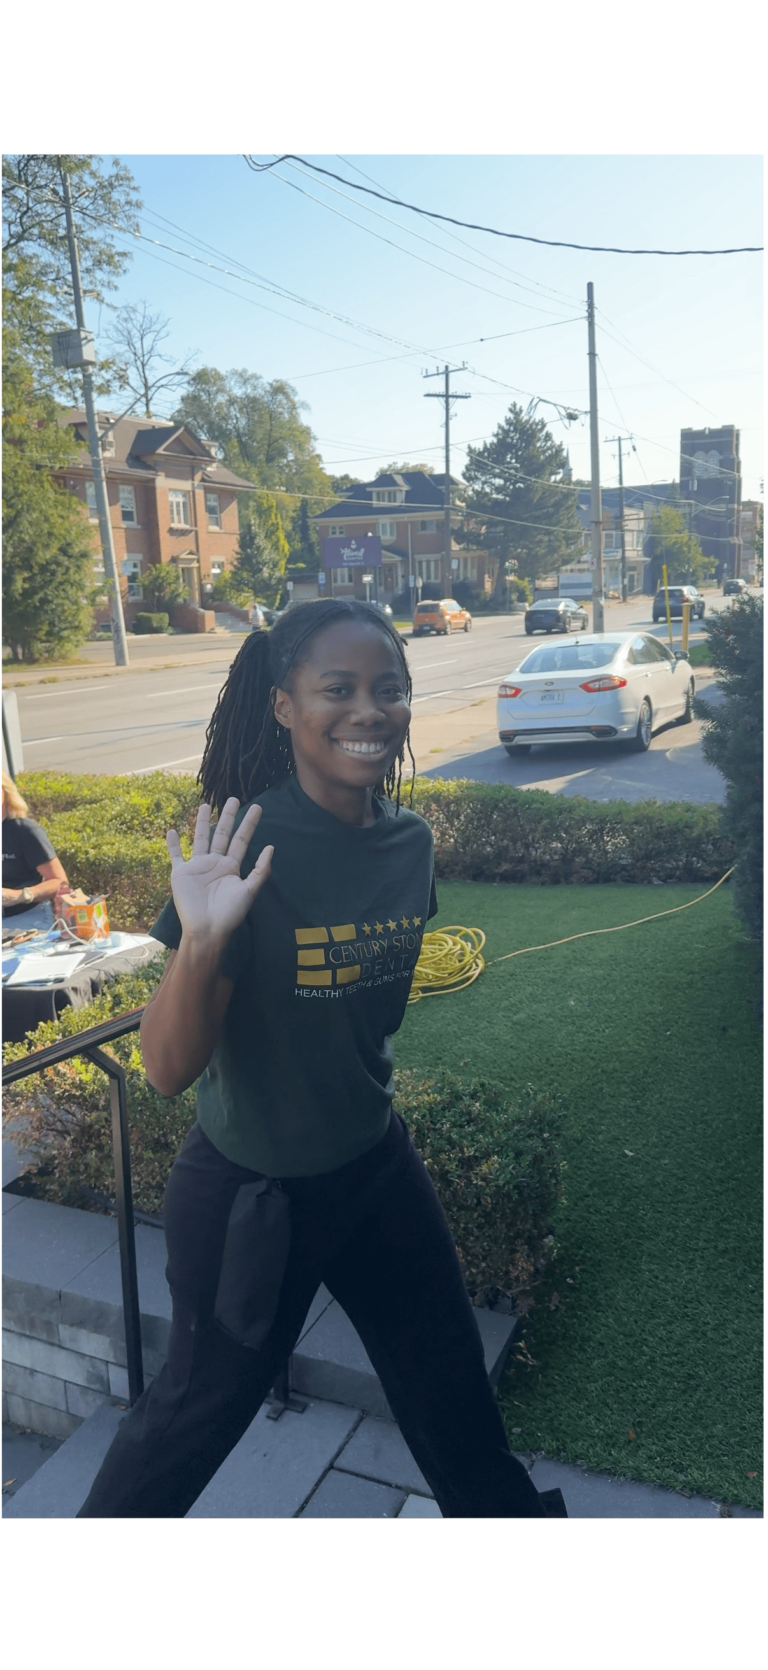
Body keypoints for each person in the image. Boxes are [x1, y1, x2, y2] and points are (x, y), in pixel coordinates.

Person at [78, 599, 565, 1519]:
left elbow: (362, 1022)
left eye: (390, 689)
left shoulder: (409, 845)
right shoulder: (243, 849)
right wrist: (204, 945)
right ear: (283, 707)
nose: (368, 711)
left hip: (374, 1167)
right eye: (335, 689)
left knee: (455, 1406)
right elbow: (168, 1069)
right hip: (251, 1197)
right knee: (190, 1420)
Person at [2, 772, 69, 933]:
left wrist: (20, 896)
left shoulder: (24, 830)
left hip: (26, 918)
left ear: (5, 793)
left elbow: (60, 881)